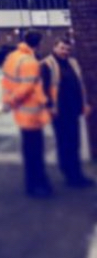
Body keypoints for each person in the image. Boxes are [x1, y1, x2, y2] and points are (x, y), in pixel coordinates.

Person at [1, 29, 52, 197]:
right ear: (38, 43)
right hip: (31, 113)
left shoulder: (12, 57)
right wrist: (12, 100)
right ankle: (37, 185)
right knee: (35, 152)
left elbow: (6, 81)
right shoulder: (30, 62)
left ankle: (35, 183)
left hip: (21, 113)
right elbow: (27, 87)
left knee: (29, 150)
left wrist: (8, 101)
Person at [41, 37, 94, 188]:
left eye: (68, 49)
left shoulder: (72, 63)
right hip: (59, 112)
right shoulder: (47, 64)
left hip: (73, 110)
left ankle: (75, 173)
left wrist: (84, 104)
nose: (65, 51)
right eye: (62, 48)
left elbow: (79, 84)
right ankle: (71, 176)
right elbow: (42, 89)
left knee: (74, 143)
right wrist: (49, 106)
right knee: (66, 144)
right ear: (55, 47)